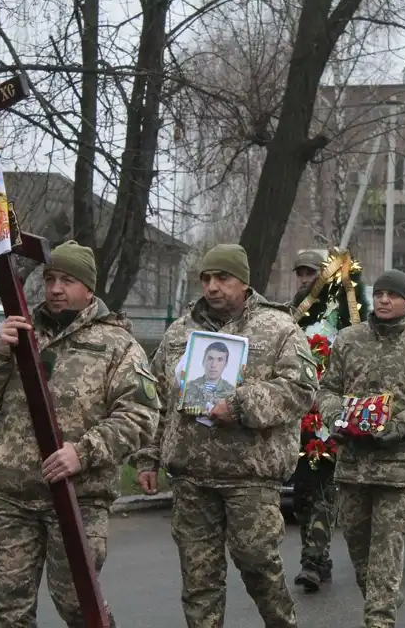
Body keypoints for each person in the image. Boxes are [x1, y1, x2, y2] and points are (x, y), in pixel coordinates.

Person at [0, 240, 161, 627]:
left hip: (77, 500)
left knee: (78, 606)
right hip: (16, 500)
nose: (55, 288)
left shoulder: (117, 345)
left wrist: (82, 453)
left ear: (89, 289)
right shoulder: (20, 331)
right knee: (10, 613)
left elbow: (140, 416)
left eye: (67, 280)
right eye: (50, 278)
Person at [134, 244, 318, 628]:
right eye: (206, 279)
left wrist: (240, 406)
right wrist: (149, 456)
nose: (212, 287)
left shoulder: (279, 328)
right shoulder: (179, 332)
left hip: (249, 476)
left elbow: (300, 389)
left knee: (258, 566)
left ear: (245, 281)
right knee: (199, 581)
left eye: (223, 278)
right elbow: (158, 400)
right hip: (192, 476)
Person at [318, 269, 405, 628]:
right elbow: (327, 389)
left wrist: (399, 424)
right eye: (378, 294)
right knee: (357, 545)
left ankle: (379, 619)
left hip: (398, 464)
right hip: (352, 462)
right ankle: (383, 597)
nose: (383, 300)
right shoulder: (349, 340)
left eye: (392, 295)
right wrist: (336, 417)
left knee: (387, 546)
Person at [288, 248, 340, 593]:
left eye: (312, 273)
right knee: (303, 496)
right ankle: (320, 559)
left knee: (323, 493)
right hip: (298, 419)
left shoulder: (342, 312)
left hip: (330, 417)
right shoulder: (290, 316)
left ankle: (312, 559)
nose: (306, 280)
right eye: (302, 273)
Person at [180, 341, 237, 411]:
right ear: (204, 361)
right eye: (210, 358)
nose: (213, 365)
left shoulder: (232, 391)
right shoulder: (188, 386)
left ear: (225, 364)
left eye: (219, 360)